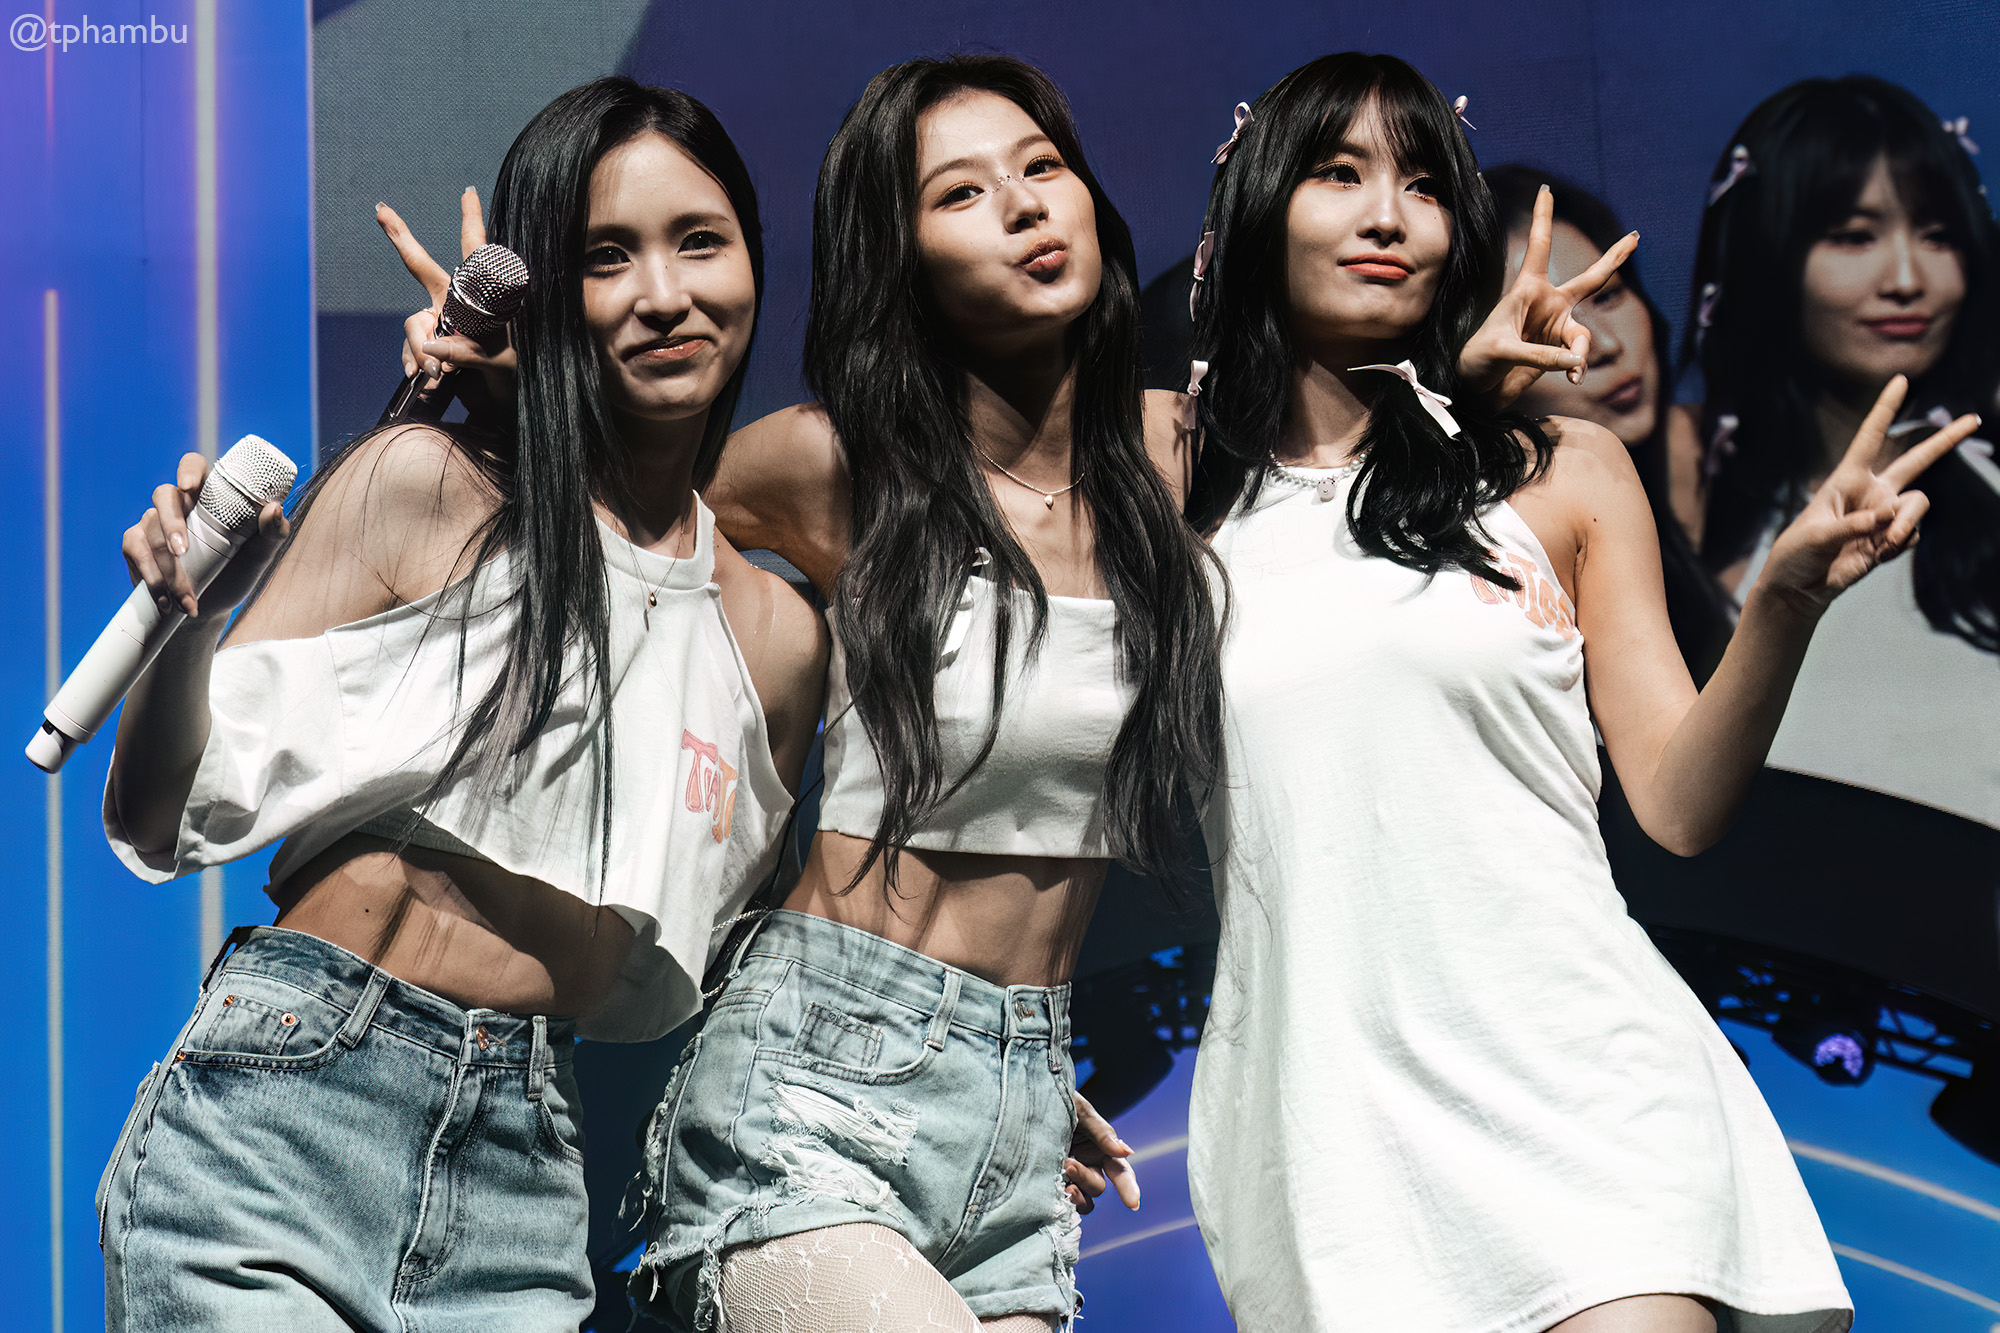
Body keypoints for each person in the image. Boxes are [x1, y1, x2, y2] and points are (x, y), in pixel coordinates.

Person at [1180, 51, 1975, 1333]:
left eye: (1423, 186)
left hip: (1588, 1090)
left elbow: (1675, 801)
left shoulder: (1563, 470)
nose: (1387, 215)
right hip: (1336, 1136)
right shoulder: (1181, 487)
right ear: (1257, 207)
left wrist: (1782, 600)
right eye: (1336, 173)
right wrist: (1444, 386)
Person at [96, 78, 827, 1331]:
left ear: (753, 259)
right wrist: (184, 622)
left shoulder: (776, 638)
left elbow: (758, 960)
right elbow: (163, 810)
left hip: (527, 1182)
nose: (663, 294)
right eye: (604, 258)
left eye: (699, 240)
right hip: (287, 1107)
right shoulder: (424, 484)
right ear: (544, 294)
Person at [1679, 74, 2000, 829]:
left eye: (1938, 235)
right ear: (1767, 255)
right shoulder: (1684, 493)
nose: (1907, 280)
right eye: (1855, 237)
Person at [1486, 165, 1734, 677]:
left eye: (1608, 295)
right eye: (1546, 328)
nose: (1603, 345)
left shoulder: (1716, 456)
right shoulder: (1514, 556)